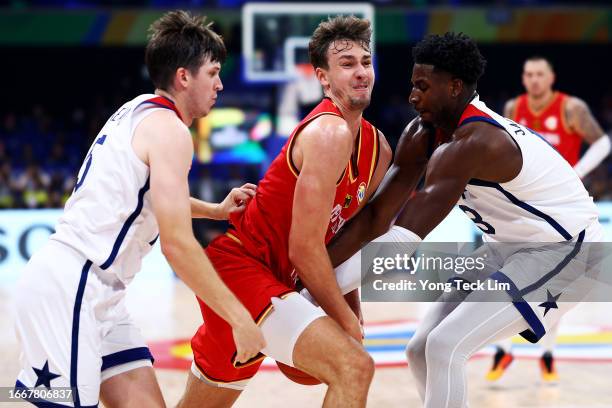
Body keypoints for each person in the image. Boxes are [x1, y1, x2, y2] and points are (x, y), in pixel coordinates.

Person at [326, 32, 603, 407]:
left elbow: (403, 239)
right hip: (506, 247)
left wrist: (319, 293)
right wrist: (316, 275)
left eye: (422, 86)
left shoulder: (477, 142)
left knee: (444, 347)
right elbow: (376, 215)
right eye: (412, 85)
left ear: (455, 87)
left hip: (567, 248)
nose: (411, 96)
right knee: (421, 349)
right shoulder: (422, 133)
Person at [13, 10, 265, 408]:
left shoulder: (137, 111)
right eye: (213, 72)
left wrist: (216, 212)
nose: (219, 84)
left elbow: (150, 199)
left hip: (103, 296)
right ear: (184, 77)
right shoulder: (171, 132)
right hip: (72, 288)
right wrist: (240, 318)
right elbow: (177, 245)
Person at [177, 16, 392, 408]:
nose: (361, 72)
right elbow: (305, 249)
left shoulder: (378, 147)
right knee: (354, 367)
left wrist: (353, 305)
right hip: (242, 272)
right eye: (347, 64)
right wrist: (343, 319)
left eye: (365, 61)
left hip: (274, 282)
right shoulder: (328, 133)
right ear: (323, 79)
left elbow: (346, 238)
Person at [486, 56, 611, 382]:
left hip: (562, 207)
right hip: (522, 207)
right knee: (509, 277)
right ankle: (504, 351)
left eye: (540, 74)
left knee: (554, 285)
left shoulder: (571, 108)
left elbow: (603, 141)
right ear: (524, 78)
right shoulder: (514, 107)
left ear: (551, 77)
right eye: (528, 74)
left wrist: (578, 172)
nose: (534, 80)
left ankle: (547, 355)